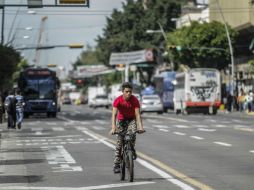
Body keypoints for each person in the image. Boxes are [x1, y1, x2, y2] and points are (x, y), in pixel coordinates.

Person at [110, 82, 145, 174]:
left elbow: (137, 114)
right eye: (126, 91)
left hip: (131, 120)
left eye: (130, 91)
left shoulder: (135, 100)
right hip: (121, 121)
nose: (128, 93)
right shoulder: (117, 100)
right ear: (122, 92)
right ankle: (116, 164)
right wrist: (114, 128)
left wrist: (140, 127)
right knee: (119, 143)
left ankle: (131, 150)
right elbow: (114, 115)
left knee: (133, 134)